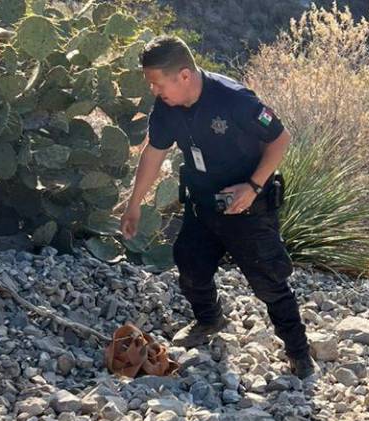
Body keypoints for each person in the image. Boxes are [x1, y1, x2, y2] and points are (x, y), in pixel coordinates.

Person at [120, 35, 314, 379]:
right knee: (190, 265)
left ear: (183, 75)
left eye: (156, 83)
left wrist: (253, 187)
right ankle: (209, 320)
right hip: (202, 203)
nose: (154, 91)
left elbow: (280, 138)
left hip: (248, 206)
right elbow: (154, 153)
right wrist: (135, 203)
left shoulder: (236, 100)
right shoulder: (166, 106)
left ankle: (298, 352)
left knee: (269, 280)